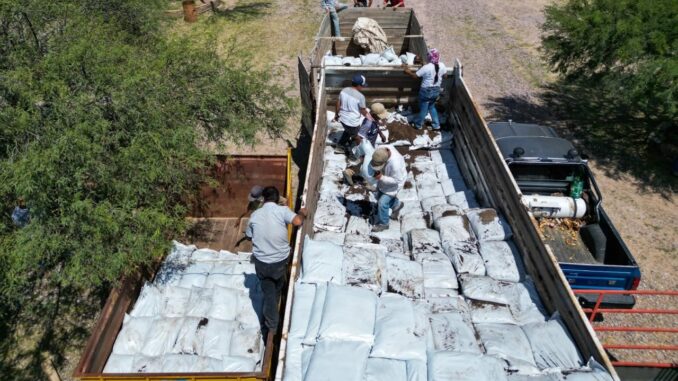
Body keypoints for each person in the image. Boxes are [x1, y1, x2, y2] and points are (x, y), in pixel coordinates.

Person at [245, 186, 306, 337]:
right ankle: (273, 327)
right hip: (279, 262)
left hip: (262, 264)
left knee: (269, 292)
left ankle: (272, 326)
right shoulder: (282, 210)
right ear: (277, 199)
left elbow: (249, 236)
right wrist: (303, 212)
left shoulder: (254, 215)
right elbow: (298, 221)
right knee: (274, 291)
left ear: (263, 199)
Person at [403, 48, 447, 130]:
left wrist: (407, 71)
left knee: (424, 108)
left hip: (426, 91)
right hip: (436, 90)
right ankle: (436, 125)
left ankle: (418, 124)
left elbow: (415, 76)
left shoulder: (426, 67)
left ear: (429, 57)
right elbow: (445, 76)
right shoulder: (442, 65)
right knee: (432, 107)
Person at [369, 146, 407, 231]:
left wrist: (381, 177)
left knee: (382, 203)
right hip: (386, 176)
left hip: (395, 183)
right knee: (379, 195)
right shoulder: (381, 149)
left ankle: (384, 223)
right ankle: (397, 205)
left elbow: (397, 180)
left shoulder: (395, 164)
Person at [334, 74, 372, 154]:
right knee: (357, 137)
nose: (363, 87)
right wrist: (370, 118)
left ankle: (341, 145)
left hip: (342, 119)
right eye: (362, 86)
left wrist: (336, 114)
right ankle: (359, 153)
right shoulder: (360, 97)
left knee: (348, 131)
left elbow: (338, 103)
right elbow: (363, 110)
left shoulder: (344, 90)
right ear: (358, 85)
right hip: (352, 122)